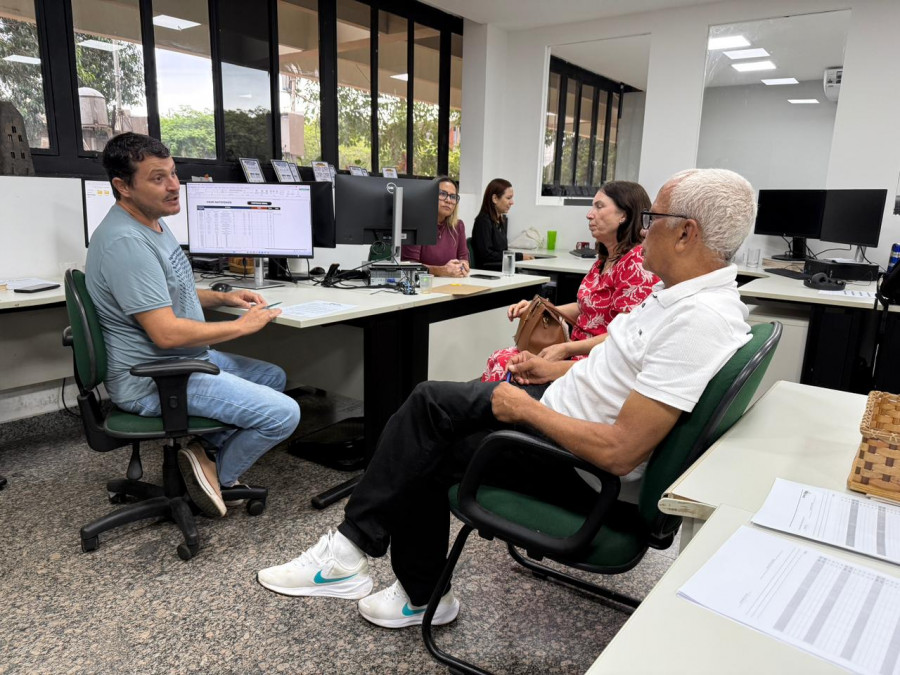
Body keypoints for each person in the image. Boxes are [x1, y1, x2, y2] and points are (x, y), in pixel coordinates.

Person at [257, 168, 756, 631]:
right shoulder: (679, 296)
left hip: (577, 465)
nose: (644, 230)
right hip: (556, 407)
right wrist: (551, 369)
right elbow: (619, 368)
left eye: (653, 219)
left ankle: (373, 569)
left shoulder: (697, 321)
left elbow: (620, 452)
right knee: (425, 414)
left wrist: (526, 407)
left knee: (425, 429)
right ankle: (385, 574)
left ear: (686, 232)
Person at [85, 132, 300, 518]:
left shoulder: (150, 221)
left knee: (272, 377)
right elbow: (166, 332)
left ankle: (203, 454)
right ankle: (213, 475)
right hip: (153, 379)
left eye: (172, 174)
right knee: (285, 413)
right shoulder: (126, 243)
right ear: (123, 186)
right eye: (157, 178)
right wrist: (241, 326)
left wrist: (223, 298)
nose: (173, 186)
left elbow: (163, 292)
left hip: (179, 361)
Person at [481, 181, 658, 381]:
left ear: (624, 215)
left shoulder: (635, 264)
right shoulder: (604, 261)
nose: (589, 214)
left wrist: (564, 349)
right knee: (500, 358)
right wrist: (536, 308)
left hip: (598, 361)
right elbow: (585, 308)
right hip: (575, 349)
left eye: (599, 207)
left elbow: (624, 336)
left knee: (507, 365)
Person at [401, 176, 469, 278]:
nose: (448, 200)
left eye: (453, 196)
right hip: (423, 285)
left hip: (451, 284)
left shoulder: (458, 226)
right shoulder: (416, 223)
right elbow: (410, 266)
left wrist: (463, 266)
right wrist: (442, 271)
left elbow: (463, 258)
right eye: (442, 194)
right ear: (430, 196)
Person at [470, 178, 534, 270]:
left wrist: (519, 257)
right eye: (508, 198)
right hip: (489, 273)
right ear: (495, 198)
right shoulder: (483, 221)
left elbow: (501, 251)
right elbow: (487, 255)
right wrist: (519, 257)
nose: (512, 202)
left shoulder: (499, 220)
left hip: (499, 269)